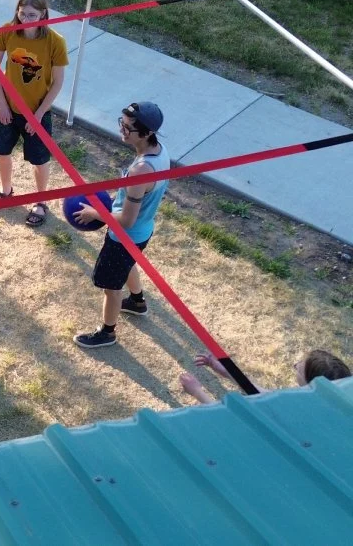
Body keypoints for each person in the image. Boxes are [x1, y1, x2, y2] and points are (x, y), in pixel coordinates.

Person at [73, 101, 170, 349]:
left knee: (110, 287)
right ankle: (138, 302)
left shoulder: (141, 170)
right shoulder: (161, 152)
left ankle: (107, 333)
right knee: (126, 263)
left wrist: (96, 213)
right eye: (122, 124)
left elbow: (127, 219)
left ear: (147, 133)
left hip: (125, 234)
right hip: (143, 232)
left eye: (129, 128)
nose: (122, 130)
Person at [0, 0, 68, 227]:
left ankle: (40, 202)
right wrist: (2, 104)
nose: (26, 19)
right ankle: (6, 192)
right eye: (22, 14)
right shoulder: (7, 32)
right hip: (8, 109)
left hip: (37, 112)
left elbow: (58, 82)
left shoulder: (55, 42)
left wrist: (39, 114)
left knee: (39, 160)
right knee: (2, 152)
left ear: (43, 14)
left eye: (32, 15)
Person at [180, 349, 351, 404]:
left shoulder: (293, 411)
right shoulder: (317, 403)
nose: (296, 365)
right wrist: (227, 372)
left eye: (299, 369)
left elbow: (233, 424)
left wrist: (197, 392)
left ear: (310, 385)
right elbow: (264, 394)